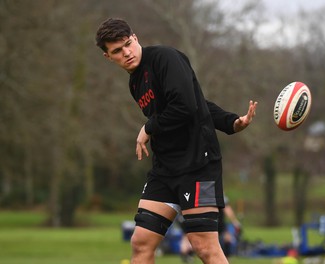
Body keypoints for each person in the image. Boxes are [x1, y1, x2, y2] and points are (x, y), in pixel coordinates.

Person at [95, 18, 258, 264]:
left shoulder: (165, 58)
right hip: (165, 170)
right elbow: (198, 103)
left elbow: (186, 105)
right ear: (108, 57)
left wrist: (148, 127)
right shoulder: (135, 82)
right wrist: (230, 121)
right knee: (141, 243)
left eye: (128, 44)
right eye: (117, 51)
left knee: (204, 246)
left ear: (136, 38)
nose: (126, 53)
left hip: (198, 166)